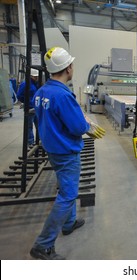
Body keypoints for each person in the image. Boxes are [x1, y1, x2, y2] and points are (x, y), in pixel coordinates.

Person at [30, 47, 105, 260]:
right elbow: (76, 126)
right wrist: (86, 124)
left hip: (52, 147)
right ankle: (43, 245)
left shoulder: (42, 91)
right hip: (65, 150)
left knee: (66, 186)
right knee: (68, 194)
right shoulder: (63, 95)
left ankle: (69, 223)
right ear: (67, 68)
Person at [17, 68, 39, 145]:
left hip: (36, 108)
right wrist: (27, 103)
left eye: (37, 76)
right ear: (30, 76)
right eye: (35, 76)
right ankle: (30, 142)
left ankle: (38, 141)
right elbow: (19, 95)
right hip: (29, 109)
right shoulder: (25, 84)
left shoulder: (35, 83)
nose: (36, 78)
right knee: (29, 126)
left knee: (39, 125)